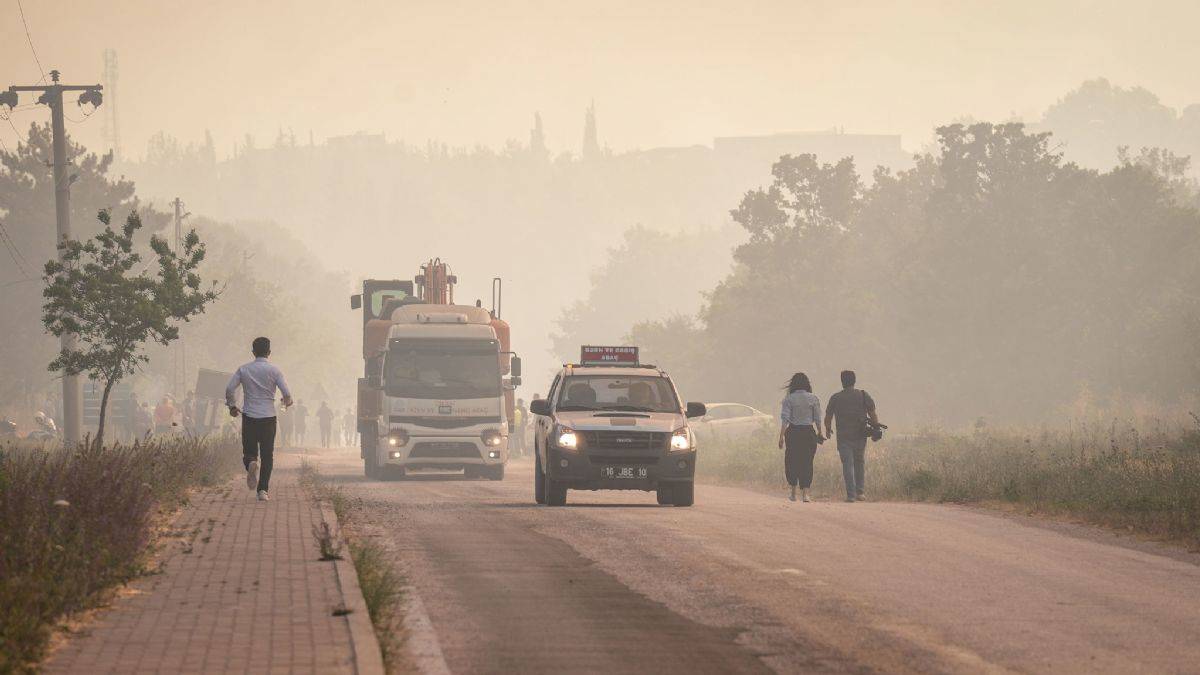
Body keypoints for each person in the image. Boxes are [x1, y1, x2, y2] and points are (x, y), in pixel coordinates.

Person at [226, 337, 293, 502]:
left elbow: (229, 388)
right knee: (268, 455)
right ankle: (262, 490)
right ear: (269, 352)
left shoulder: (243, 370)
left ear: (253, 352)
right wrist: (286, 404)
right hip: (269, 417)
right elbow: (287, 394)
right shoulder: (275, 371)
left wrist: (232, 406)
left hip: (249, 417)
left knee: (249, 452)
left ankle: (250, 464)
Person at [824, 370, 879, 502]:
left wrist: (828, 429)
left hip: (843, 438)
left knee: (847, 464)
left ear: (842, 382)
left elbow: (828, 416)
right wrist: (876, 429)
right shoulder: (863, 395)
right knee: (859, 462)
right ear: (854, 381)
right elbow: (873, 414)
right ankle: (860, 492)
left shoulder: (835, 398)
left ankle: (851, 495)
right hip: (860, 436)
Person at [778, 372, 823, 502]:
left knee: (792, 461)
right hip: (808, 432)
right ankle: (806, 493)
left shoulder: (789, 399)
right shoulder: (813, 398)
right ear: (807, 384)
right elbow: (817, 419)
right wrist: (820, 432)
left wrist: (781, 437)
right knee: (807, 462)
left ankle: (793, 492)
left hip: (793, 432)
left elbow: (785, 420)